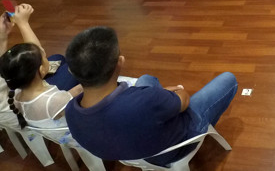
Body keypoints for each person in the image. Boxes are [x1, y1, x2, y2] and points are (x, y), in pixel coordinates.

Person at [64, 27, 238, 166]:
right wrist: (174, 92)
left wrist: (159, 97)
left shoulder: (71, 113)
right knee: (228, 79)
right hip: (172, 148)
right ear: (120, 62)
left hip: (131, 152)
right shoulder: (144, 101)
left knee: (146, 79)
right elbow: (184, 100)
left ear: (72, 71)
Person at [0, 41, 82, 146]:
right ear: (41, 70)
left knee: (59, 58)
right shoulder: (55, 100)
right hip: (73, 135)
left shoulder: (15, 94)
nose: (47, 59)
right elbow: (79, 90)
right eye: (45, 58)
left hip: (50, 128)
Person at [0, 4, 51, 128]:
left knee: (58, 59)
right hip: (31, 112)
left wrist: (2, 36)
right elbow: (39, 60)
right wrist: (23, 24)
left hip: (19, 96)